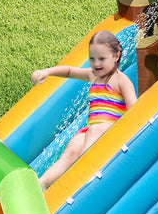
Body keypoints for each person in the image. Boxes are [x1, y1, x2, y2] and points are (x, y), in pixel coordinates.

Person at [31, 30, 137, 188]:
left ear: (116, 56)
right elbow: (69, 71)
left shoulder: (122, 80)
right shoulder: (93, 75)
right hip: (90, 130)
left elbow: (135, 109)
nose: (96, 64)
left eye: (102, 59)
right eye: (92, 59)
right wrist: (47, 72)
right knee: (70, 151)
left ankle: (80, 176)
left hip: (112, 130)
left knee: (94, 131)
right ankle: (43, 183)